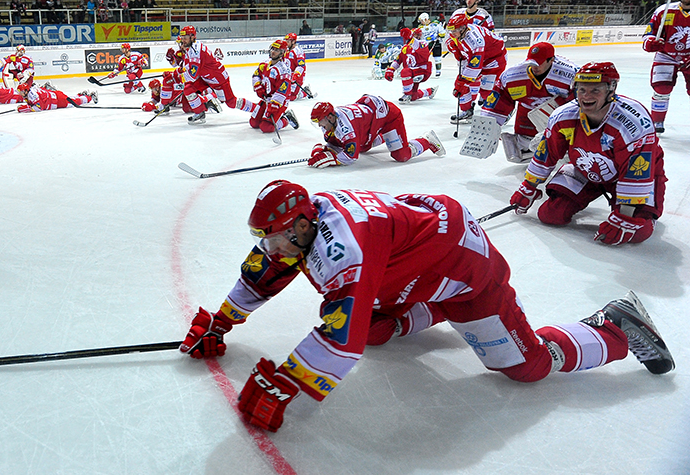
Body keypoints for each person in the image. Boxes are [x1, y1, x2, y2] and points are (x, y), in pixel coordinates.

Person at [180, 180, 673, 432]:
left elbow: (341, 339)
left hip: (464, 272)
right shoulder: (307, 221)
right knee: (372, 328)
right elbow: (266, 273)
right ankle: (432, 307)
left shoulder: (343, 248)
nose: (270, 250)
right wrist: (221, 323)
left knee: (528, 368)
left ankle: (614, 326)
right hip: (419, 252)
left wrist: (286, 385)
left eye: (274, 239)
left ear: (302, 226)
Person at [510, 62, 666, 246]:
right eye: (582, 89)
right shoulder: (563, 116)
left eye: (595, 90)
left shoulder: (633, 122)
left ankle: (646, 214)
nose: (586, 96)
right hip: (587, 171)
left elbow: (636, 172)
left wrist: (624, 216)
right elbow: (547, 153)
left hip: (637, 176)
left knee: (637, 231)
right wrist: (528, 186)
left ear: (611, 89)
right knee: (550, 214)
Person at [462, 42, 577, 162]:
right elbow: (498, 101)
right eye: (531, 63)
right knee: (519, 150)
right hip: (528, 109)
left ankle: (565, 144)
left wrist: (559, 129)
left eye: (538, 63)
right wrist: (488, 128)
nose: (534, 67)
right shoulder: (512, 75)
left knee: (567, 142)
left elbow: (581, 105)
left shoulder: (571, 75)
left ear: (551, 60)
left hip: (560, 112)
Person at [307, 96, 445, 169]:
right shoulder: (332, 119)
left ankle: (427, 140)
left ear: (330, 117)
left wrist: (331, 159)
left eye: (320, 121)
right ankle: (384, 137)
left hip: (389, 118)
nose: (319, 125)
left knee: (401, 155)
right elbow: (336, 143)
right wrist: (324, 149)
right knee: (362, 147)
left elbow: (350, 157)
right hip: (372, 119)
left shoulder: (346, 127)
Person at [642, 0, 690, 133]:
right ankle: (657, 122)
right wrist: (650, 42)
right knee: (661, 89)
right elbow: (650, 33)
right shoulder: (665, 10)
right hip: (666, 55)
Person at [446, 13, 507, 124]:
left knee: (486, 91)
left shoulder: (475, 40)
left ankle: (501, 112)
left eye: (454, 30)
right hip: (482, 58)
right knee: (460, 86)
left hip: (494, 60)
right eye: (451, 30)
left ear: (463, 28)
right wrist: (456, 49)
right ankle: (467, 111)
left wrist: (463, 81)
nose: (452, 33)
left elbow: (475, 65)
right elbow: (464, 52)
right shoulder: (460, 33)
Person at [175, 26, 240, 124]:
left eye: (185, 38)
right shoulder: (191, 48)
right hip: (206, 77)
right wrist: (181, 71)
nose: (183, 41)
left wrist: (179, 77)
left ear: (192, 37)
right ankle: (200, 112)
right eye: (182, 38)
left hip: (218, 78)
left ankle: (256, 109)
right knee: (188, 89)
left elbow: (192, 76)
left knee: (231, 102)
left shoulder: (195, 51)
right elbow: (190, 67)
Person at [241, 39, 299, 134]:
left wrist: (275, 103)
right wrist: (258, 85)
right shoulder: (264, 64)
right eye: (272, 49)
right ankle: (272, 116)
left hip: (279, 103)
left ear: (282, 53)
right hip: (266, 99)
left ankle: (286, 118)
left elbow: (283, 90)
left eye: (276, 50)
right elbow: (256, 75)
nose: (273, 52)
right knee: (254, 123)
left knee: (266, 127)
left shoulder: (284, 70)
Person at [385, 28, 437, 104]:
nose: (416, 36)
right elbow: (398, 60)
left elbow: (418, 47)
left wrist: (411, 38)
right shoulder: (405, 47)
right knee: (413, 96)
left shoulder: (423, 43)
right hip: (412, 72)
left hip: (423, 70)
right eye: (414, 34)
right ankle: (430, 91)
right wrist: (391, 69)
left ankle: (407, 94)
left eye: (416, 35)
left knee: (405, 72)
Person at [16, 82, 97, 112]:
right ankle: (81, 94)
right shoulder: (30, 92)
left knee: (74, 102)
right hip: (55, 96)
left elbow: (38, 107)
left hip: (57, 101)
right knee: (70, 99)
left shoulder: (32, 95)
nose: (20, 94)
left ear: (26, 91)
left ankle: (90, 97)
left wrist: (23, 108)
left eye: (21, 92)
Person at [283, 33, 314, 101]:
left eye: (288, 41)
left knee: (291, 97)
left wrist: (295, 76)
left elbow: (301, 65)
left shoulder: (298, 51)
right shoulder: (286, 50)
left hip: (297, 76)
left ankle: (304, 93)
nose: (286, 43)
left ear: (293, 42)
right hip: (287, 75)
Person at [417, 13, 446, 77]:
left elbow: (443, 33)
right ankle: (424, 71)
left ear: (425, 19)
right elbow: (418, 36)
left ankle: (438, 72)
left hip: (436, 43)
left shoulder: (436, 25)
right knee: (423, 58)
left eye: (422, 20)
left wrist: (439, 35)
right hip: (425, 45)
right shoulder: (420, 27)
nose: (421, 22)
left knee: (437, 58)